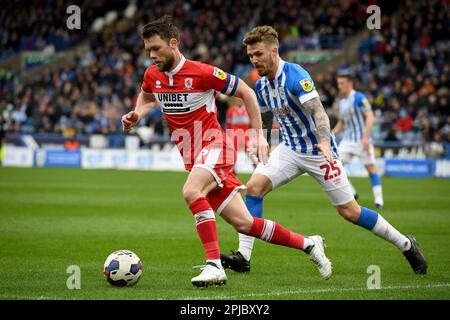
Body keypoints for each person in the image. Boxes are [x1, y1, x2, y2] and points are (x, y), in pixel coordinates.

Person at [121, 16, 332, 287]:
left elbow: (247, 93)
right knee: (245, 223)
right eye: (148, 50)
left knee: (191, 191)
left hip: (216, 147)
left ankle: (214, 266)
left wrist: (258, 136)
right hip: (193, 156)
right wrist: (137, 114)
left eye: (156, 48)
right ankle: (309, 244)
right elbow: (148, 96)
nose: (151, 55)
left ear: (173, 44)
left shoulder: (202, 72)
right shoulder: (153, 75)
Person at [220, 26, 427, 276]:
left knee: (350, 212)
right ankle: (244, 257)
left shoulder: (297, 77)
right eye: (251, 55)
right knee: (253, 187)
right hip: (289, 149)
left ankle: (405, 244)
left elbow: (319, 112)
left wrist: (326, 142)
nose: (254, 60)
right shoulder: (262, 86)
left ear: (274, 51)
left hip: (319, 152)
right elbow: (265, 119)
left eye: (259, 54)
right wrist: (261, 141)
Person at [332, 72, 384, 209]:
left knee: (371, 168)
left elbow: (370, 116)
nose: (339, 86)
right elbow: (342, 122)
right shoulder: (342, 102)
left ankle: (379, 200)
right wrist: (331, 134)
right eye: (338, 84)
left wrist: (366, 137)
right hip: (347, 141)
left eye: (342, 83)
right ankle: (353, 193)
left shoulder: (359, 98)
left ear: (350, 83)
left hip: (361, 140)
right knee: (335, 166)